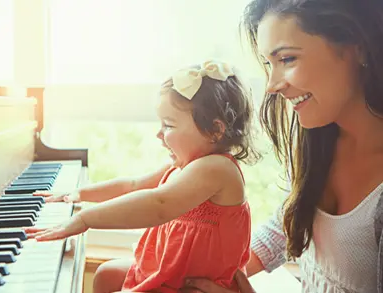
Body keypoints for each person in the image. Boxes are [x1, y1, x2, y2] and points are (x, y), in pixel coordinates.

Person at [183, 0, 383, 292]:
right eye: (268, 64)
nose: (272, 85)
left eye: (287, 59)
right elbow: (291, 219)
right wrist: (217, 272)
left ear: (359, 47)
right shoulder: (319, 140)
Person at [26, 60, 261, 293]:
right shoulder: (183, 166)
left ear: (215, 130)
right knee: (106, 274)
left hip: (193, 287)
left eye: (168, 125)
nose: (159, 134)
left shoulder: (218, 169)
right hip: (172, 275)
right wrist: (78, 194)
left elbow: (158, 204)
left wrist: (85, 220)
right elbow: (133, 186)